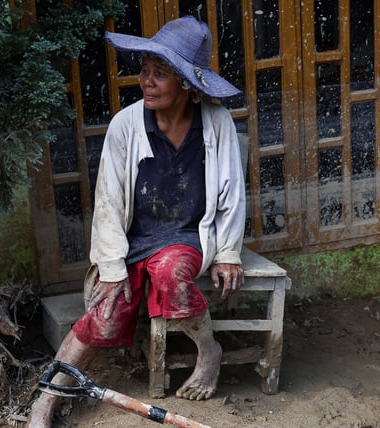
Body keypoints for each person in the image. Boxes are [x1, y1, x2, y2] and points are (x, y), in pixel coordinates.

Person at [29, 15, 247, 427]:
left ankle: (208, 351)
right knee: (107, 309)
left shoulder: (216, 122)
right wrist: (112, 269)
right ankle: (47, 398)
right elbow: (108, 204)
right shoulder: (126, 125)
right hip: (134, 238)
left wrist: (229, 252)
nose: (146, 81)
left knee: (171, 274)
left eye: (159, 74)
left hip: (188, 235)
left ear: (185, 82)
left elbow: (232, 195)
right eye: (144, 71)